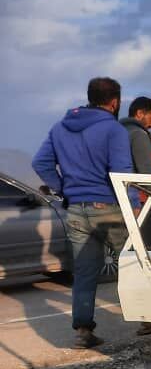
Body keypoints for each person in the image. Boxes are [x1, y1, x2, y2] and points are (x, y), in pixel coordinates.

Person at [32, 77, 140, 349]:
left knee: (84, 271)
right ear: (114, 102)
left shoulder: (59, 128)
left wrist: (63, 188)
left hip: (76, 210)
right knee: (133, 262)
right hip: (108, 208)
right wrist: (133, 205)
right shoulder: (112, 129)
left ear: (90, 97)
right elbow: (121, 172)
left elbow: (40, 162)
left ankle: (83, 331)